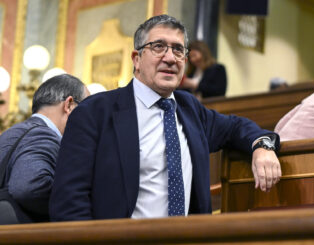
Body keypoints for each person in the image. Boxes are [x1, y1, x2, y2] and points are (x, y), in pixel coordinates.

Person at [49, 15, 281, 221]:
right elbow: (69, 201)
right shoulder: (94, 112)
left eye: (179, 50)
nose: (170, 58)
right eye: (158, 46)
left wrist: (262, 146)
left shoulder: (189, 108)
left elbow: (235, 127)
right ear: (136, 59)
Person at [0, 74, 89, 222]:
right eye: (86, 110)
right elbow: (29, 188)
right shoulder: (43, 135)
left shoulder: (10, 132)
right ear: (69, 105)